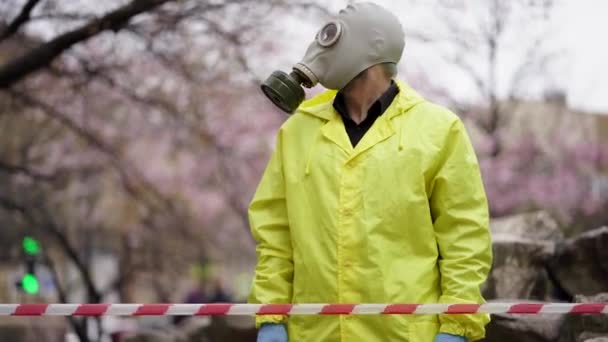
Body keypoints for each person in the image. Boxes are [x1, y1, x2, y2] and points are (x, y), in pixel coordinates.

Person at [249, 2, 493, 342]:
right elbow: (275, 235)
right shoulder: (297, 131)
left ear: (372, 52)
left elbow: (464, 236)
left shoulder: (438, 129)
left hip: (405, 335)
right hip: (317, 333)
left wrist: (457, 324)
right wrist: (271, 315)